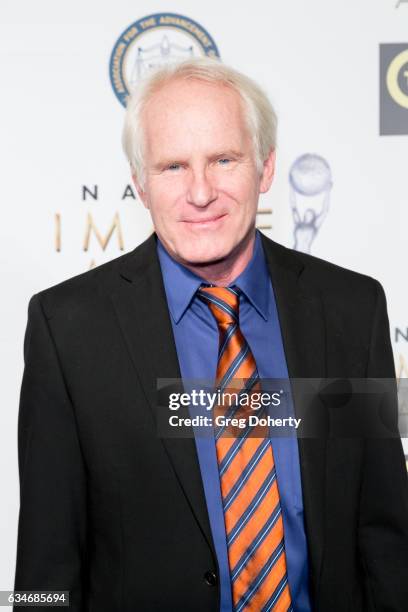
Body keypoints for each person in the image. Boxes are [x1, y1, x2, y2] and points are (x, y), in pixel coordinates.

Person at [14, 58, 408, 611]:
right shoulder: (70, 330)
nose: (200, 192)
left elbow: (386, 538)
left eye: (224, 159)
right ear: (139, 183)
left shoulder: (349, 310)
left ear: (266, 168)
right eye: (173, 166)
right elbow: (44, 570)